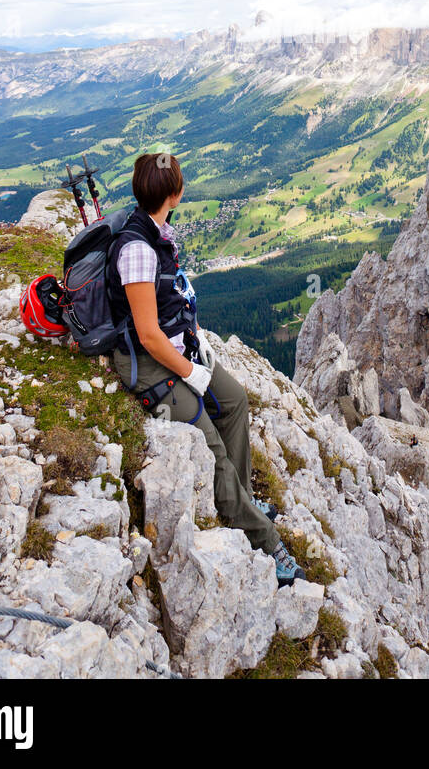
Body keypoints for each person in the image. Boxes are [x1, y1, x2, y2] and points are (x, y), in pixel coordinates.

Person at [107, 151, 303, 585]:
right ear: (175, 194)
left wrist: (195, 352)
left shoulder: (157, 232)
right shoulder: (138, 250)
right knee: (209, 443)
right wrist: (189, 372)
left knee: (233, 401)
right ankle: (264, 539)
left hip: (177, 350)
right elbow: (147, 334)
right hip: (150, 364)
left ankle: (242, 504)